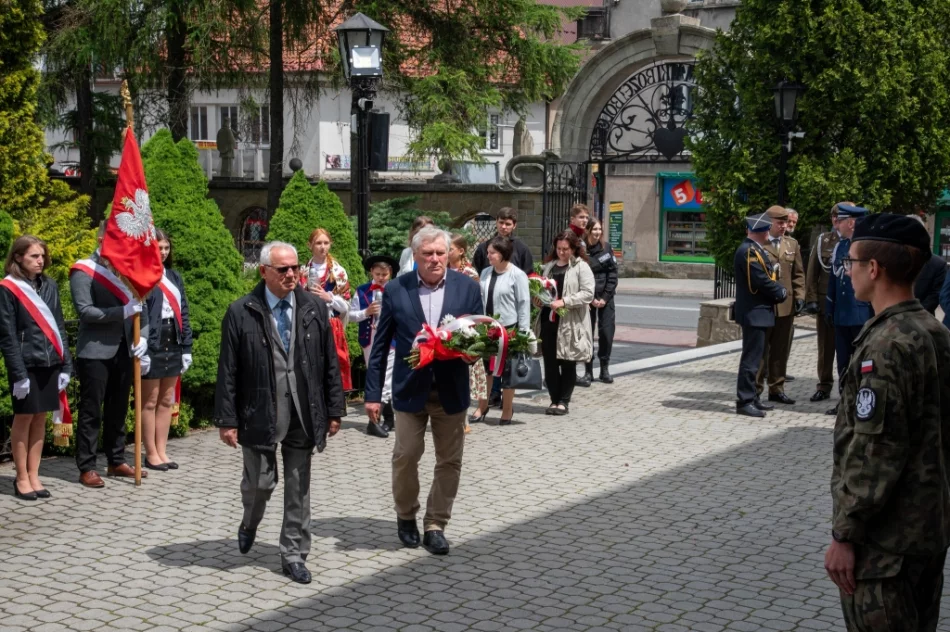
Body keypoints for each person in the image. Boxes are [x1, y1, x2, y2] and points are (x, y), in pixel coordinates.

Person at [824, 213, 950, 631]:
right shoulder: (933, 331)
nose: (848, 270)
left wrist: (845, 534)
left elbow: (875, 451)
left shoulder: (887, 342)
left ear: (873, 269)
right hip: (928, 531)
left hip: (884, 544)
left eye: (852, 262)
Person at [213, 241, 345, 584]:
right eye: (283, 269)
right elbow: (227, 370)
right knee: (260, 483)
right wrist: (227, 419)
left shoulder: (314, 306)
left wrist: (334, 410)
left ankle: (294, 554)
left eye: (295, 268)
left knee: (299, 485)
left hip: (304, 409)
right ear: (264, 272)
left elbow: (329, 363)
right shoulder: (242, 310)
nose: (291, 275)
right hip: (259, 410)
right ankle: (249, 521)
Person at [364, 226, 483, 556]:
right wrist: (373, 394)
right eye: (428, 254)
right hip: (409, 389)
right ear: (414, 256)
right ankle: (406, 516)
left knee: (450, 461)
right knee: (405, 456)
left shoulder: (467, 288)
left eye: (440, 253)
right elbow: (379, 345)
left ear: (450, 255)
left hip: (451, 389)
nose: (435, 259)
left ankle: (435, 524)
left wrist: (475, 352)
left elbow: (477, 337)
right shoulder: (397, 289)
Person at [70, 225, 151, 488]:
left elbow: (143, 309)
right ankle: (87, 466)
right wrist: (122, 311)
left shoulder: (128, 269)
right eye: (114, 240)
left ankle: (116, 459)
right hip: (95, 350)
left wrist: (145, 338)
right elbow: (86, 311)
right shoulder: (84, 270)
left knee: (118, 408)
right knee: (92, 409)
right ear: (101, 239)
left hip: (126, 348)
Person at [0, 236, 71, 500]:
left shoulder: (49, 285)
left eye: (42, 255)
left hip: (50, 362)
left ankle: (34, 474)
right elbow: (7, 335)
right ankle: (20, 478)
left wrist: (66, 365)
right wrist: (18, 374)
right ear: (18, 258)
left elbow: (59, 327)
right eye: (33, 256)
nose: (40, 260)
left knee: (40, 417)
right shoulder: (8, 289)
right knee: (25, 418)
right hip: (26, 365)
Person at [141, 230, 193, 471]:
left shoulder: (174, 276)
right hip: (152, 340)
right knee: (149, 401)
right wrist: (141, 344)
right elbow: (139, 311)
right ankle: (150, 453)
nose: (163, 252)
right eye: (159, 248)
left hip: (173, 338)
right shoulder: (142, 275)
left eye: (166, 248)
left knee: (166, 400)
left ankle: (162, 450)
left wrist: (186, 347)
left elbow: (183, 310)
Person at [470, 236, 531, 426]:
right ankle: (483, 405)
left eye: (492, 253)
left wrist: (523, 332)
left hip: (509, 330)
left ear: (503, 254)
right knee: (485, 370)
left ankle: (507, 409)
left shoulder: (517, 275)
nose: (488, 256)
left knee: (507, 372)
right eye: (487, 252)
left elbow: (523, 304)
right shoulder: (487, 272)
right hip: (488, 329)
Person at [733, 213, 788, 418]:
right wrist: (780, 292)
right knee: (751, 359)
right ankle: (745, 400)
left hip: (761, 312)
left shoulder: (755, 249)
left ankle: (753, 398)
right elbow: (760, 280)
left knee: (757, 359)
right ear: (761, 231)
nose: (768, 233)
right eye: (766, 230)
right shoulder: (748, 252)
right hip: (754, 312)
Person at [534, 230, 594, 416]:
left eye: (566, 249)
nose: (561, 252)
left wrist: (565, 301)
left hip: (570, 322)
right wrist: (537, 299)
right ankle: (553, 400)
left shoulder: (580, 267)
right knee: (550, 363)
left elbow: (588, 293)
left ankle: (563, 402)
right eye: (559, 248)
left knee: (568, 362)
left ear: (574, 248)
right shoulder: (549, 266)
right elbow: (543, 291)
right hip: (549, 321)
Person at [755, 206, 805, 405]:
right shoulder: (759, 244)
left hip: (786, 306)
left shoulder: (792, 244)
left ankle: (777, 388)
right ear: (770, 223)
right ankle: (756, 391)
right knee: (761, 352)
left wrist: (800, 296)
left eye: (786, 222)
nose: (784, 226)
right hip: (765, 306)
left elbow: (798, 274)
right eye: (780, 222)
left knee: (780, 350)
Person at [825, 204, 872, 415]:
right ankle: (844, 401)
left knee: (862, 361)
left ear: (851, 222)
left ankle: (860, 403)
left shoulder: (867, 247)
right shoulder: (840, 246)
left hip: (861, 313)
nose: (837, 224)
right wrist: (829, 305)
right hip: (842, 313)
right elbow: (834, 280)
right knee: (842, 360)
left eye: (841, 220)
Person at [349, 254, 398, 438]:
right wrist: (366, 312)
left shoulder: (395, 290)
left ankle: (373, 422)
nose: (381, 277)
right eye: (378, 274)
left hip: (392, 341)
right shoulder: (362, 291)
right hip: (369, 340)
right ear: (371, 272)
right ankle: (390, 419)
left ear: (390, 273)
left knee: (385, 380)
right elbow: (350, 315)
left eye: (385, 274)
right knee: (374, 378)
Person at [303, 228, 352, 392]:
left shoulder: (338, 272)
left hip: (331, 325)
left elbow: (346, 306)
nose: (322, 247)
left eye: (325, 243)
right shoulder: (302, 272)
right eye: (318, 243)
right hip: (308, 324)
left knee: (332, 369)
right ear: (310, 245)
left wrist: (329, 297)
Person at [803, 204, 842, 402]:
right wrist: (810, 298)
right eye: (834, 215)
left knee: (849, 348)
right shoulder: (823, 240)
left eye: (841, 216)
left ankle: (847, 388)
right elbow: (813, 272)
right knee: (825, 348)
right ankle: (824, 385)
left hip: (850, 306)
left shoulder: (859, 240)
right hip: (826, 302)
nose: (837, 219)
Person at [448, 234, 485, 434]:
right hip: (446, 326)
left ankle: (464, 418)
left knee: (466, 374)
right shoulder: (442, 270)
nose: (447, 253)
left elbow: (475, 300)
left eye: (450, 249)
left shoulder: (470, 273)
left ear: (461, 251)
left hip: (465, 327)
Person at [578, 218, 618, 386]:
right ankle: (588, 371)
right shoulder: (581, 249)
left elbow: (613, 274)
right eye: (594, 229)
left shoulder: (606, 248)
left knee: (607, 333)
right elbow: (579, 275)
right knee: (587, 335)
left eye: (599, 229)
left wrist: (605, 297)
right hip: (587, 299)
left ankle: (604, 369)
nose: (597, 232)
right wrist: (590, 298)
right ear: (587, 230)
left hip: (605, 299)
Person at [471, 207, 534, 274]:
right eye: (501, 222)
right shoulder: (484, 247)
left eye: (508, 224)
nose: (503, 227)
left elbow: (528, 275)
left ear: (514, 225)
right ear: (496, 222)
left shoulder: (522, 249)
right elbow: (475, 273)